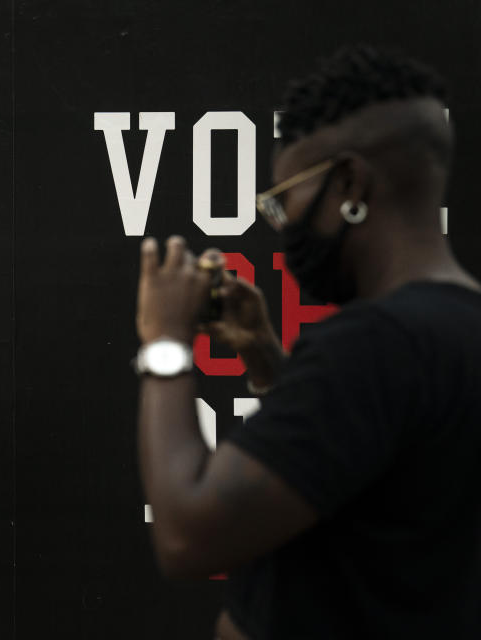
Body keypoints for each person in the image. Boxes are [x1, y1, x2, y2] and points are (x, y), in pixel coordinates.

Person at [133, 44, 481, 639]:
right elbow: (361, 469)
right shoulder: (456, 328)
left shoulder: (372, 346)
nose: (284, 222)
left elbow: (188, 534)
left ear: (349, 183)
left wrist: (165, 344)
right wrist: (267, 358)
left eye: (285, 198)